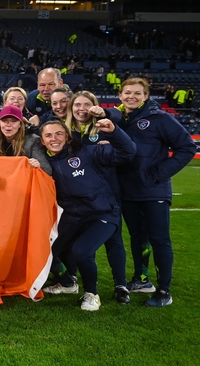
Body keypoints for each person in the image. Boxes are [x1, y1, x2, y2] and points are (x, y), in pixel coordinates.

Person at [107, 78, 195, 306]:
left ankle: (165, 290)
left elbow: (186, 147)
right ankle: (142, 279)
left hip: (154, 190)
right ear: (120, 95)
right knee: (137, 238)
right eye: (127, 93)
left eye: (137, 93)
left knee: (159, 239)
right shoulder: (117, 119)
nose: (131, 97)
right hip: (127, 191)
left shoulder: (160, 118)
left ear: (146, 96)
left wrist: (158, 174)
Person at [39, 119, 136, 311]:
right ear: (42, 141)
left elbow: (128, 152)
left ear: (67, 136)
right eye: (48, 135)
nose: (54, 139)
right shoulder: (44, 162)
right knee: (43, 250)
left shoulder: (87, 152)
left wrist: (114, 132)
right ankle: (68, 284)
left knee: (82, 251)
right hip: (72, 216)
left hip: (102, 213)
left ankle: (92, 294)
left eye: (59, 133)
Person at [0, 106, 52, 176]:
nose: (8, 125)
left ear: (20, 124)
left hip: (22, 183)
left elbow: (47, 170)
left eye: (13, 121)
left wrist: (38, 166)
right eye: (4, 121)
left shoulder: (33, 140)